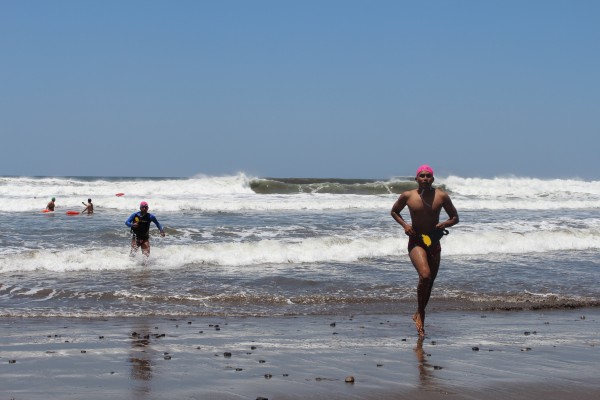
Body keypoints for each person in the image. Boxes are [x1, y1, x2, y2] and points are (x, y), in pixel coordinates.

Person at [391, 164, 459, 337]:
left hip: (433, 240)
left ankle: (419, 313)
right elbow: (394, 211)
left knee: (430, 282)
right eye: (422, 176)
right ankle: (421, 314)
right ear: (416, 179)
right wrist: (405, 225)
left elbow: (455, 218)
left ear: (433, 179)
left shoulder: (441, 196)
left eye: (428, 176)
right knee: (425, 275)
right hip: (416, 240)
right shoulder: (408, 196)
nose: (425, 179)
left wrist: (444, 223)